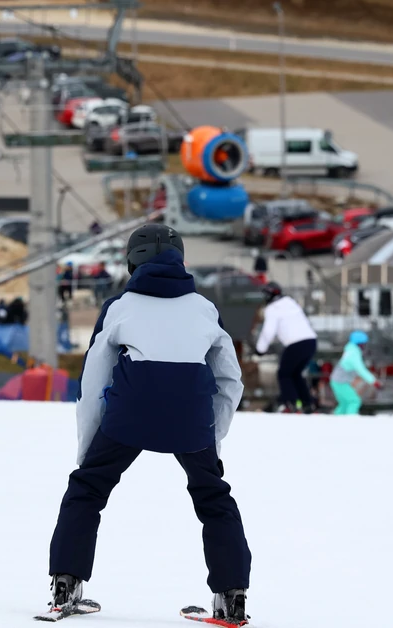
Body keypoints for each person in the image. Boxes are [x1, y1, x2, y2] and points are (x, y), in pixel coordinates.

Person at [45, 224, 250, 624]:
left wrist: (88, 449)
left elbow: (93, 380)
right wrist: (212, 437)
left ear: (131, 262)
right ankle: (232, 596)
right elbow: (230, 379)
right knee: (214, 498)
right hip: (191, 418)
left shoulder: (120, 307)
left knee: (87, 489)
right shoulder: (204, 308)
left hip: (129, 415)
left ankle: (66, 584)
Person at [256, 282, 319, 413]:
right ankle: (307, 403)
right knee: (295, 374)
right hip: (311, 341)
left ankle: (291, 403)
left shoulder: (273, 308)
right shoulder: (290, 303)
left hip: (296, 343)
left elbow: (268, 331)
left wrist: (260, 349)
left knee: (284, 374)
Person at [330, 330, 378, 415]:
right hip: (340, 382)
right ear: (359, 344)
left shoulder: (351, 350)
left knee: (344, 404)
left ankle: (335, 419)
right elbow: (361, 370)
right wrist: (373, 381)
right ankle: (351, 421)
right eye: (364, 344)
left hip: (338, 381)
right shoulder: (353, 354)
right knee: (354, 401)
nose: (365, 346)